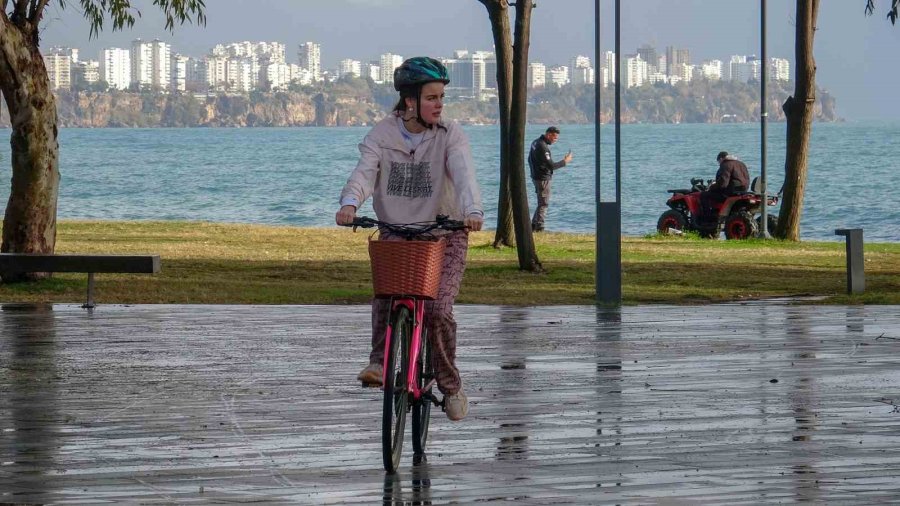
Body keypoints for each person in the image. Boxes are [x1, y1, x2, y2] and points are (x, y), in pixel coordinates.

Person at [335, 56, 484, 422]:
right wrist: (350, 203)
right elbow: (364, 173)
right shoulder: (382, 136)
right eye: (432, 97)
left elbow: (464, 173)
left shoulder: (450, 134)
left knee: (437, 310)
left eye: (441, 98)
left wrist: (473, 211)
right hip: (398, 232)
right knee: (386, 295)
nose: (439, 105)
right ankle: (379, 363)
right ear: (409, 101)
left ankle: (450, 384)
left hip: (444, 234)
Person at [528, 126, 573, 232]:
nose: (555, 140)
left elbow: (529, 159)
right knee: (544, 203)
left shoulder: (535, 142)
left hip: (536, 177)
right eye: (554, 137)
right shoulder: (543, 147)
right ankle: (539, 227)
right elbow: (551, 166)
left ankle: (533, 225)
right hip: (542, 178)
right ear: (548, 135)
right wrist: (565, 161)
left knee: (541, 202)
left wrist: (534, 172)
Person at [700, 151, 750, 222]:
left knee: (704, 195)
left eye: (718, 162)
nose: (719, 164)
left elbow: (723, 184)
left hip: (730, 192)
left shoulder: (725, 165)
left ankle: (708, 218)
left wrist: (712, 187)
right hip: (743, 190)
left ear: (721, 159)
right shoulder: (741, 164)